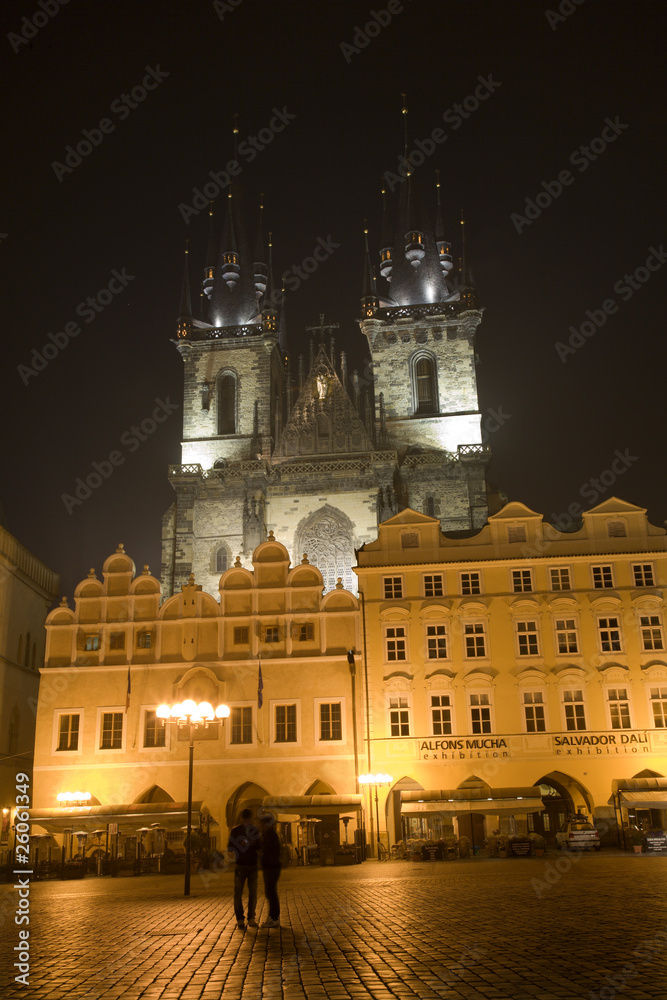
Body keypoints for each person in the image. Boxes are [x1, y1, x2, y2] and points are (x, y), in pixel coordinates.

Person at [227, 808, 259, 930]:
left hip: (240, 864)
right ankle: (251, 918)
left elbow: (230, 848)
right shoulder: (255, 830)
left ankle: (240, 919)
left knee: (238, 893)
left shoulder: (235, 831)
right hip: (252, 864)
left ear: (241, 818)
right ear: (251, 818)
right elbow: (260, 847)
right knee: (252, 893)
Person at [258, 813, 282, 928]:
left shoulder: (269, 835)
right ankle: (272, 917)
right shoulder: (271, 834)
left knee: (271, 892)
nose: (260, 826)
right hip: (271, 866)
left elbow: (267, 850)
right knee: (270, 892)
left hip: (271, 866)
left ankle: (274, 918)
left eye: (262, 823)